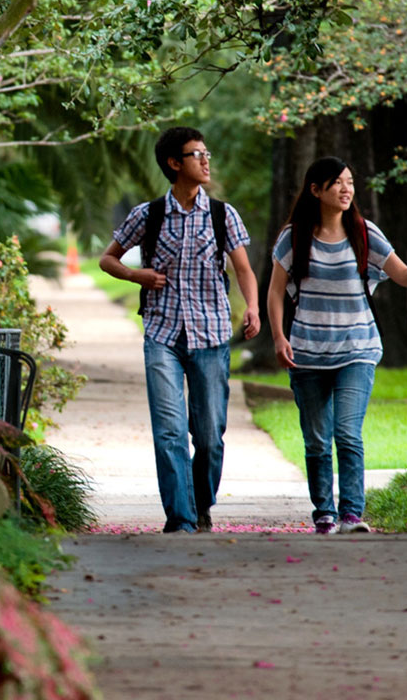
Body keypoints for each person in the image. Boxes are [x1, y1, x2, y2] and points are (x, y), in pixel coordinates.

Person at [266, 157, 407, 534]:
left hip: (358, 348)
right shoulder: (295, 236)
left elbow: (402, 275)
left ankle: (352, 514)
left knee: (347, 432)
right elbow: (274, 292)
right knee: (318, 440)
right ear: (315, 190)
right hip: (307, 352)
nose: (346, 189)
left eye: (350, 182)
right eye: (336, 183)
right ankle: (324, 512)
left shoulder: (364, 233)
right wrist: (278, 336)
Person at [101, 127, 261, 533]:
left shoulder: (223, 215)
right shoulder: (147, 215)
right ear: (175, 164)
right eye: (196, 155)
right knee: (169, 430)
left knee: (209, 437)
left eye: (207, 153)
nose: (206, 161)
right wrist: (136, 275)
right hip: (162, 335)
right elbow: (108, 260)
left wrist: (254, 308)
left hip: (210, 336)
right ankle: (182, 519)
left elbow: (243, 269)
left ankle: (200, 504)